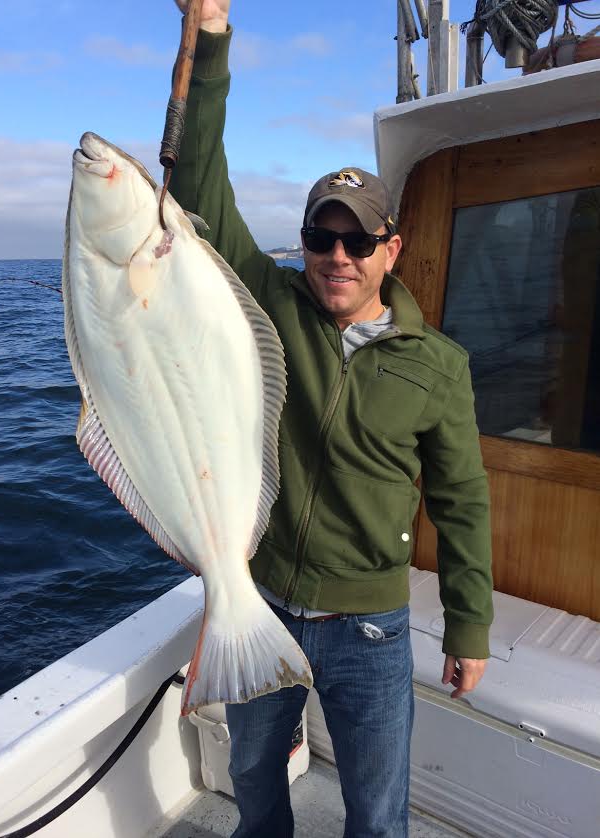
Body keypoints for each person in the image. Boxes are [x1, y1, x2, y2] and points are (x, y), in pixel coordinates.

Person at [171, 3, 493, 836]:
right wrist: (209, 37)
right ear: (304, 241)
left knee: (378, 813)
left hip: (373, 629)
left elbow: (460, 503)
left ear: (392, 247)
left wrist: (469, 625)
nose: (337, 257)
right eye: (322, 236)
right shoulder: (269, 305)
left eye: (358, 241)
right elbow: (200, 182)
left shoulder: (439, 366)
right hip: (264, 601)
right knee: (252, 777)